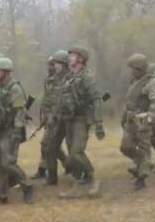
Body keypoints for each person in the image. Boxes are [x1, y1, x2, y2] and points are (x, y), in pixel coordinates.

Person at [58, 45, 105, 199]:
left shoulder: (87, 77)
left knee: (76, 152)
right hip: (69, 119)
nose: (69, 57)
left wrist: (99, 123)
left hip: (82, 119)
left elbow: (97, 100)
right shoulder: (68, 77)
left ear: (80, 59)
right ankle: (79, 181)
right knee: (72, 155)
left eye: (72, 55)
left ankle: (92, 177)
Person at [0, 57, 34, 204]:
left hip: (11, 130)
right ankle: (0, 194)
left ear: (5, 71)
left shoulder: (15, 88)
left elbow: (20, 111)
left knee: (8, 163)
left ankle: (27, 185)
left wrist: (17, 132)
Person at [119, 53, 155, 189]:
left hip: (143, 119)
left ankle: (141, 177)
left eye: (134, 69)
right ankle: (143, 163)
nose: (131, 71)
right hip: (130, 119)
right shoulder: (133, 82)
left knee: (144, 147)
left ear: (140, 68)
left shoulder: (152, 82)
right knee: (125, 147)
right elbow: (130, 101)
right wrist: (124, 117)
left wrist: (150, 116)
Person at [34, 51, 69, 185]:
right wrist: (44, 116)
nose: (51, 67)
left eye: (53, 64)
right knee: (48, 144)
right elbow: (47, 99)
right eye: (49, 65)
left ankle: (68, 167)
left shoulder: (65, 79)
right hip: (51, 117)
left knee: (50, 144)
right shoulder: (48, 80)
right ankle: (52, 170)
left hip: (62, 117)